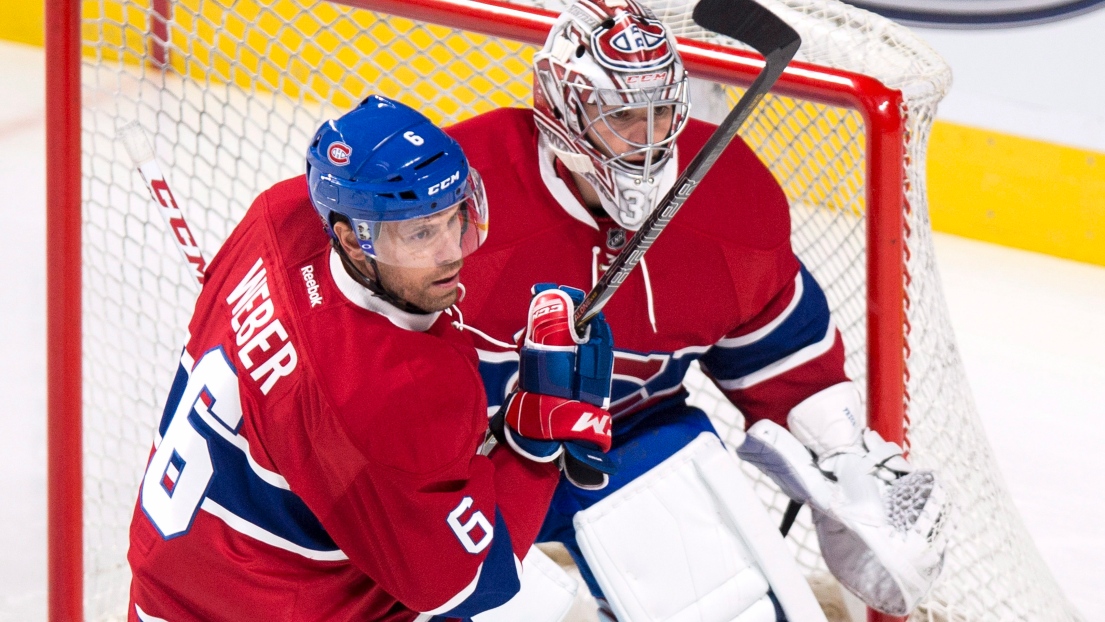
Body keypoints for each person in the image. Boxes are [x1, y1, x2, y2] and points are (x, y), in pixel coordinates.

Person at [445, 1, 948, 620]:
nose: (649, 138)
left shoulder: (727, 196)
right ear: (562, 108)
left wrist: (842, 457)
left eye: (662, 114)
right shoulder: (460, 196)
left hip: (629, 440)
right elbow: (353, 346)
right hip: (457, 468)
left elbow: (780, 351)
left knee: (736, 613)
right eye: (624, 116)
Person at [126, 95, 617, 622]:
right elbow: (473, 584)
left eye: (454, 216)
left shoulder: (279, 216)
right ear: (353, 243)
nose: (451, 250)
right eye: (421, 233)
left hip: (172, 587)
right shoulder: (395, 388)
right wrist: (532, 452)